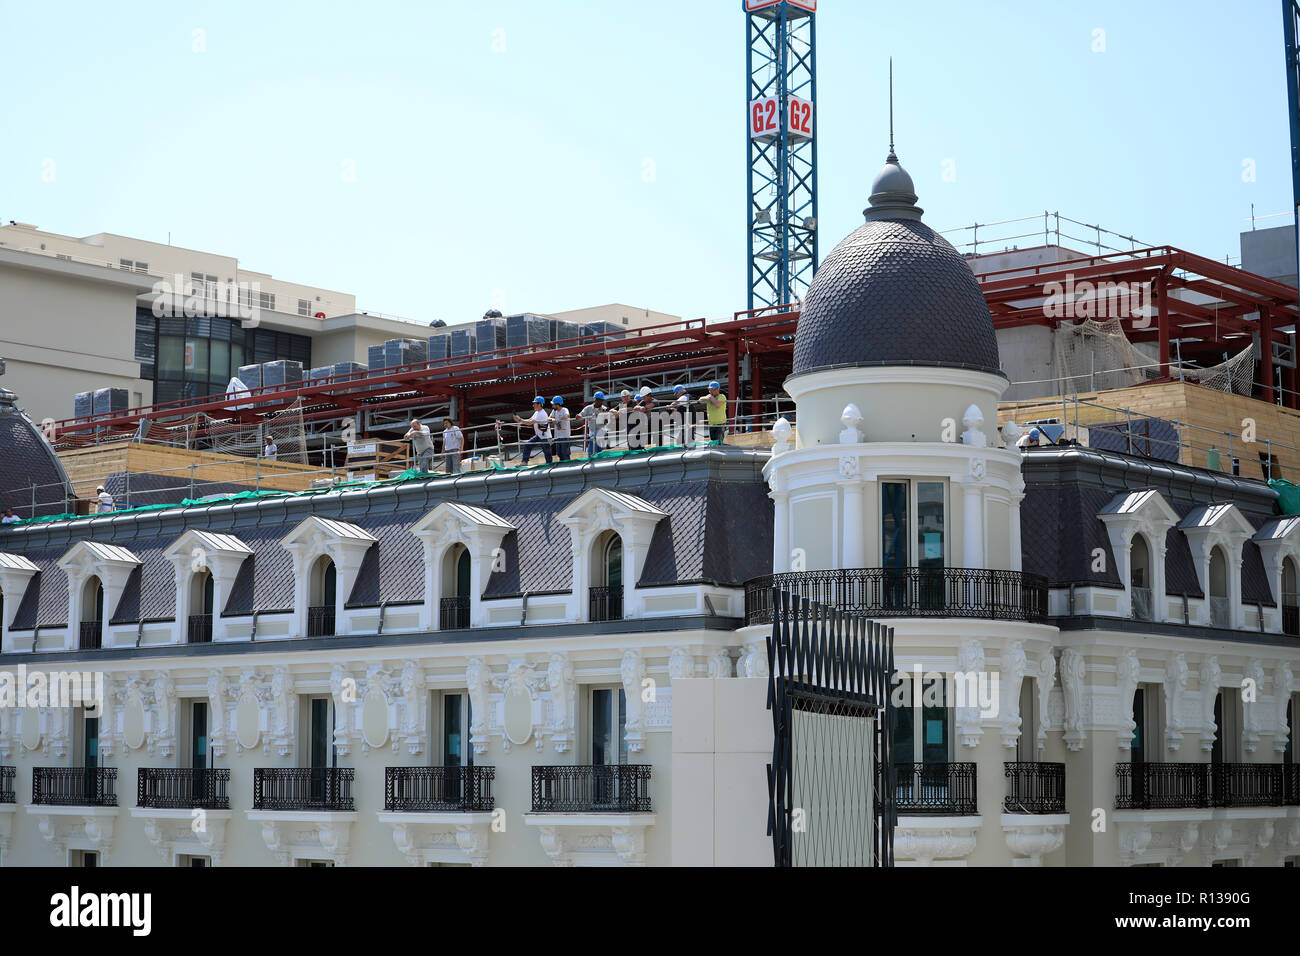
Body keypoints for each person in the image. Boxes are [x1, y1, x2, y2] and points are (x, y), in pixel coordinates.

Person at [514, 397, 553, 465]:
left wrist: (520, 420)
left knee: (546, 452)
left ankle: (549, 464)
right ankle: (524, 462)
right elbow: (529, 420)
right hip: (540, 435)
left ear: (539, 404)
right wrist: (520, 420)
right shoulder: (537, 412)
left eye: (534, 404)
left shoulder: (542, 414)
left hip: (545, 437)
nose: (533, 405)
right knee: (528, 445)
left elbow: (530, 422)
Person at [578, 392, 608, 456]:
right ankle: (592, 460)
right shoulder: (588, 408)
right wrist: (578, 416)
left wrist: (600, 416)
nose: (601, 402)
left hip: (601, 431)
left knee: (597, 448)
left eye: (601, 400)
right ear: (595, 400)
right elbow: (581, 415)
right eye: (599, 400)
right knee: (592, 449)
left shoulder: (604, 409)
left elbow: (607, 421)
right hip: (592, 431)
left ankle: (598, 461)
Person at [549, 396, 572, 461]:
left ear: (557, 404)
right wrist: (553, 419)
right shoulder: (554, 411)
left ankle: (567, 465)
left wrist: (558, 421)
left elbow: (566, 416)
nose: (552, 405)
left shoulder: (565, 410)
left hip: (565, 436)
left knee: (565, 453)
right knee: (559, 453)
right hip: (558, 436)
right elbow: (549, 418)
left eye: (553, 404)